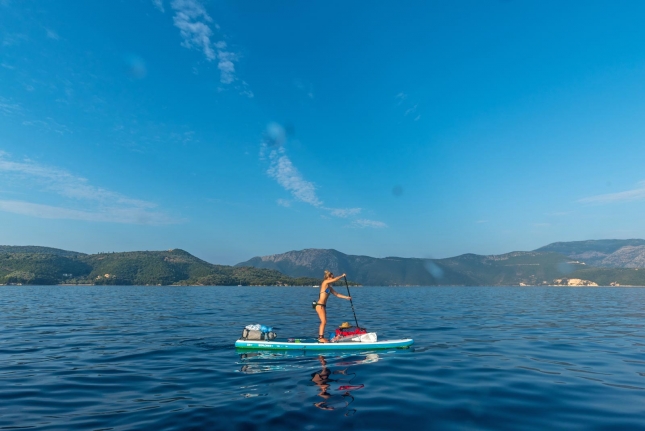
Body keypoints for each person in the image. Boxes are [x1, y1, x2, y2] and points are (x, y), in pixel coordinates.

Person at [312, 270, 351, 342]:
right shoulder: (324, 283)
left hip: (323, 306)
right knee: (323, 322)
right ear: (328, 278)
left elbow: (337, 294)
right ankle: (321, 338)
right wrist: (342, 276)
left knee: (324, 321)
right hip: (319, 305)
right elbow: (335, 279)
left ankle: (321, 337)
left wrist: (346, 297)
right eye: (332, 277)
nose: (333, 278)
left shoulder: (329, 288)